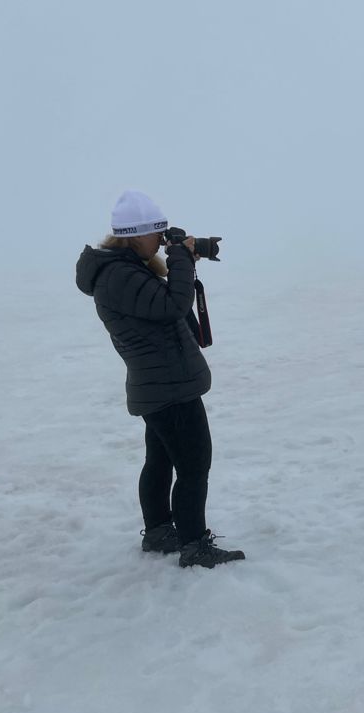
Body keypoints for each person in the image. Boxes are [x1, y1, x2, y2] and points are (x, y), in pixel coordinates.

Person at [75, 190, 244, 568]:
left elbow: (164, 302)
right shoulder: (119, 275)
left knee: (161, 459)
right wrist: (181, 256)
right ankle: (194, 545)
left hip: (160, 383)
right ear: (136, 235)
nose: (163, 239)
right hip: (169, 387)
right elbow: (172, 306)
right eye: (159, 233)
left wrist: (186, 255)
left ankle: (158, 532)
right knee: (194, 465)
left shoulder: (124, 268)